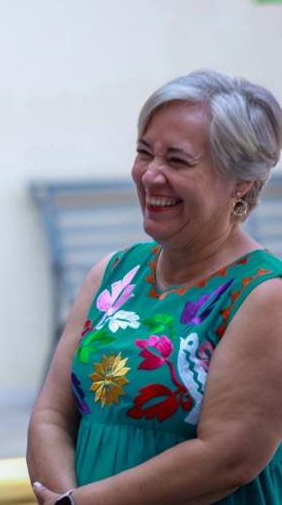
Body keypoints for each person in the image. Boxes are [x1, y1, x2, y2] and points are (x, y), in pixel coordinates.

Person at [27, 70, 282, 505]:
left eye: (177, 161)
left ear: (240, 180)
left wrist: (82, 504)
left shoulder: (264, 296)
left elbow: (227, 458)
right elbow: (50, 416)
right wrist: (64, 498)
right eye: (144, 153)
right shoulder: (111, 276)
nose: (150, 176)